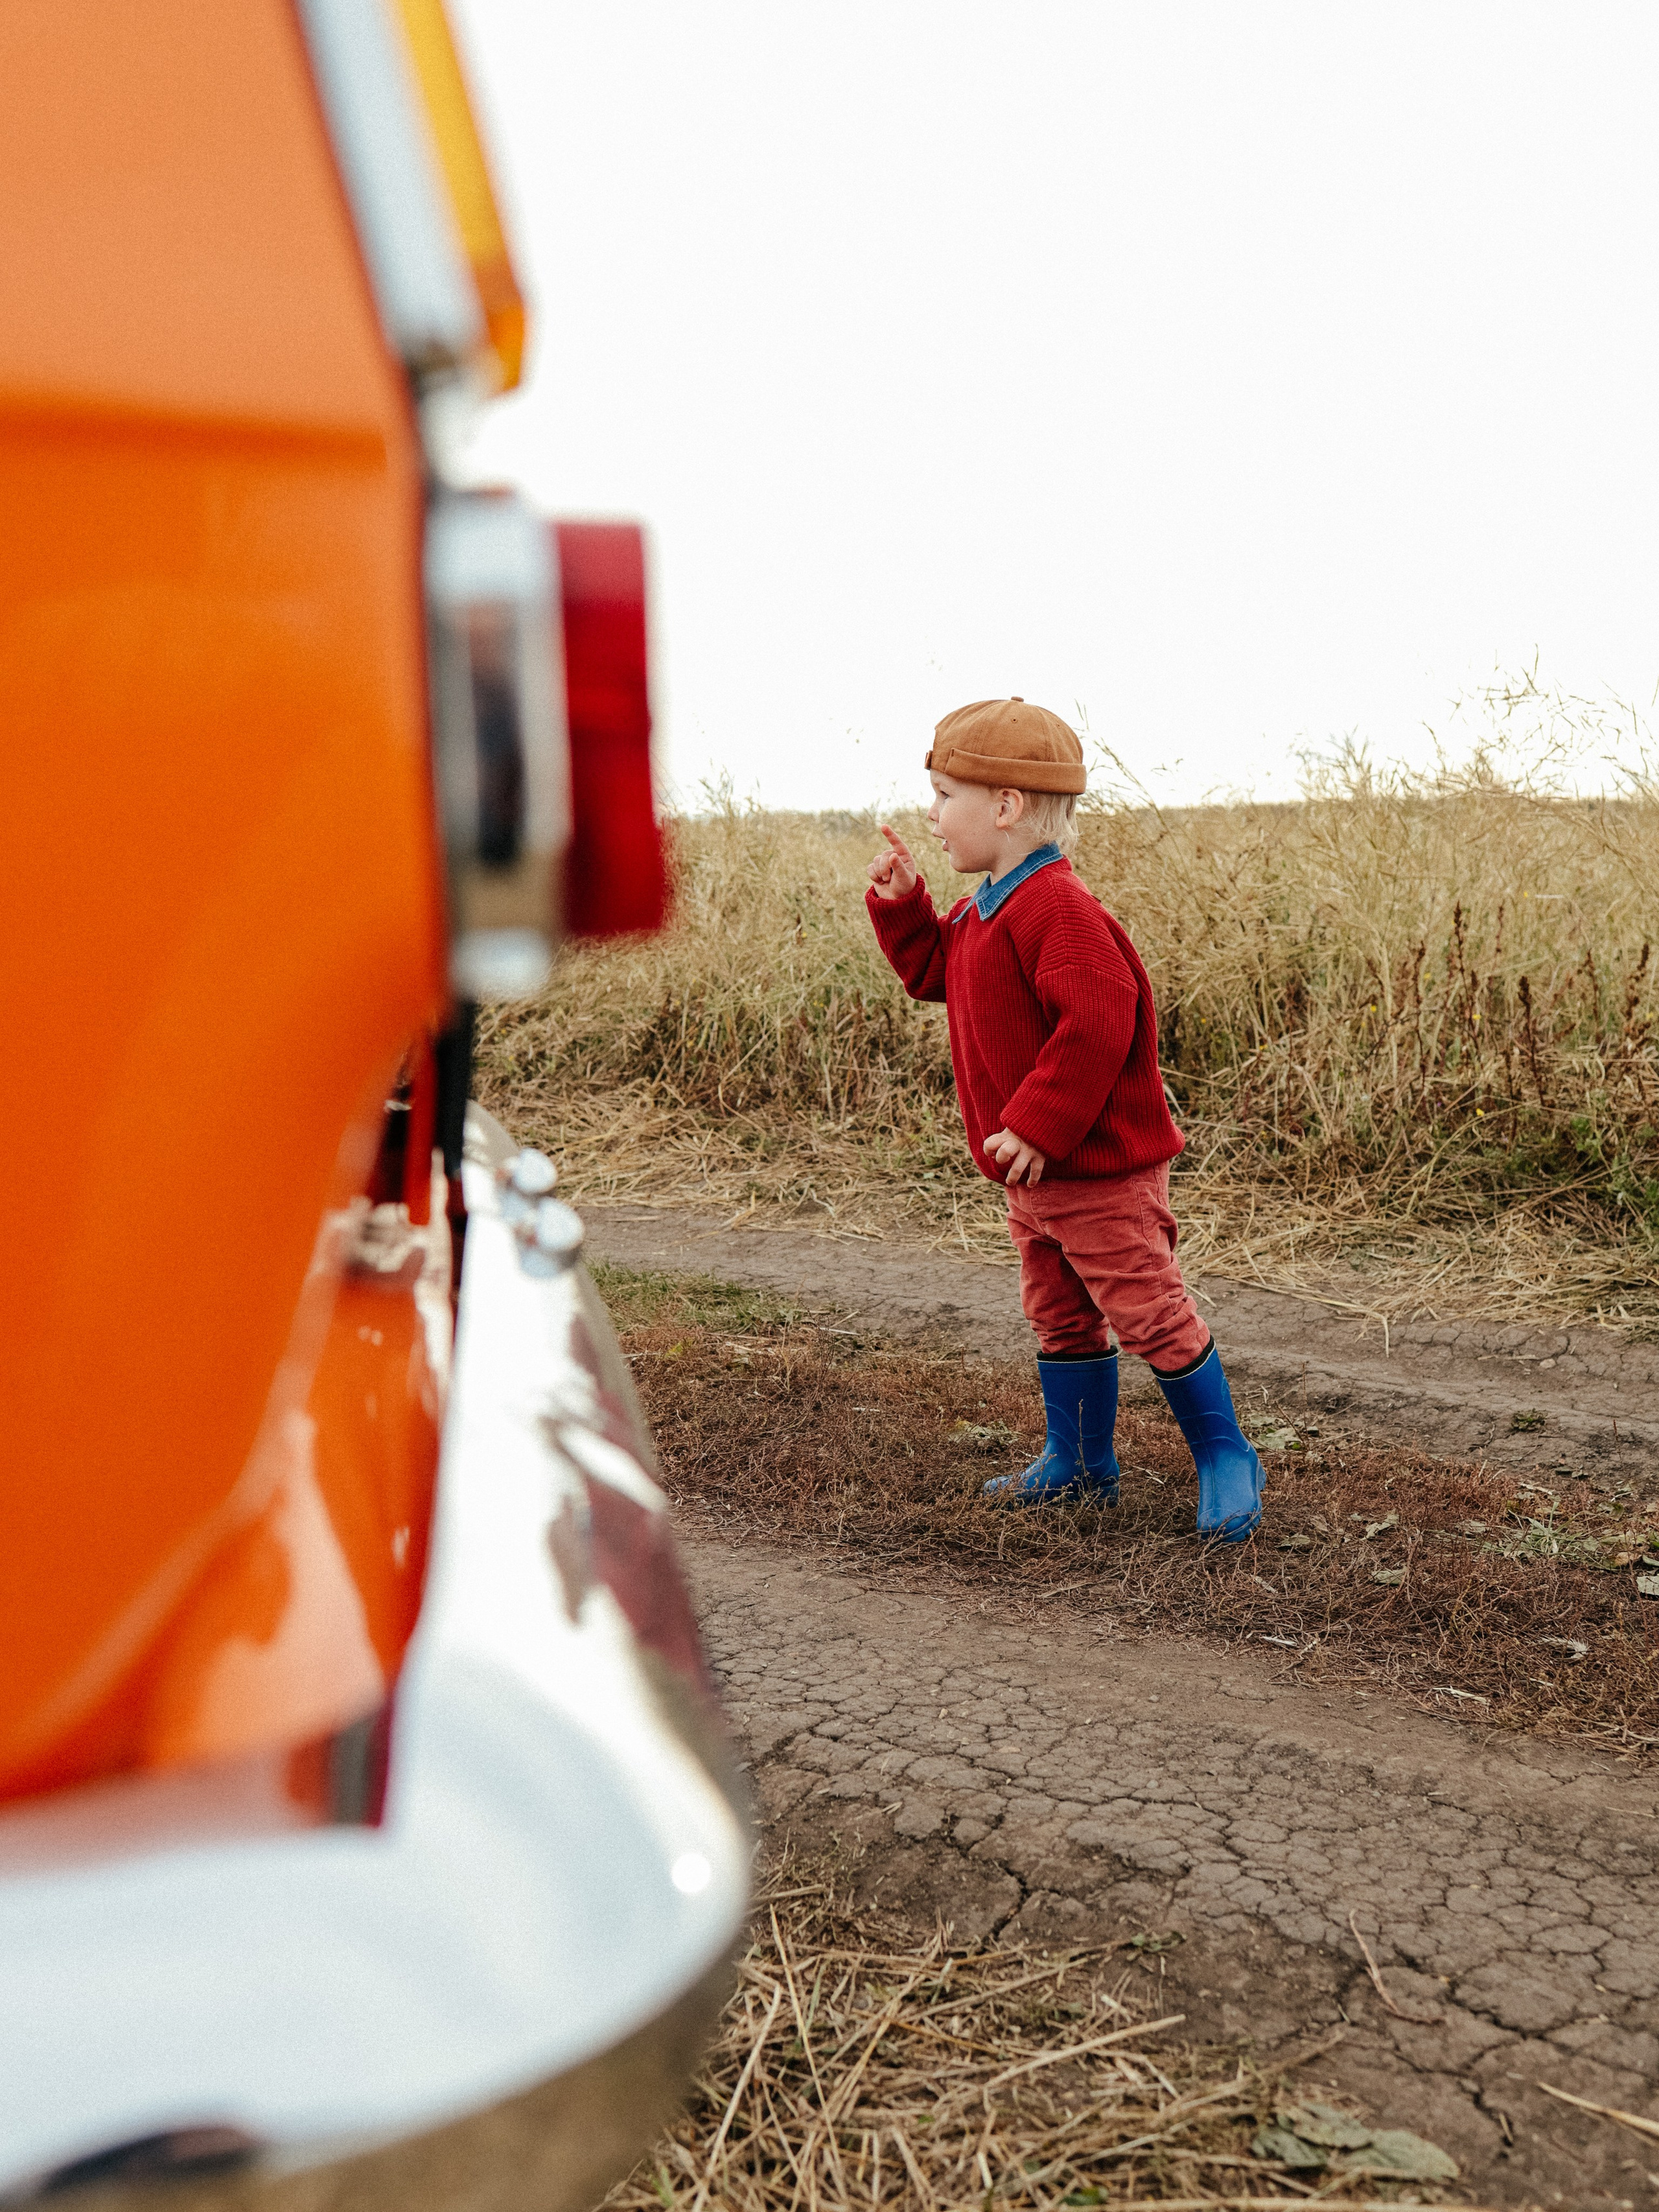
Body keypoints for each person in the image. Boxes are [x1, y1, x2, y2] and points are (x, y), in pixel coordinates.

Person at [865, 697, 1262, 1541]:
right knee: (1060, 1312)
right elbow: (942, 971)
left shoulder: (1056, 909)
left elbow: (1100, 1017)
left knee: (1149, 1310)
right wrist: (905, 910)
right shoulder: (985, 908)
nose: (932, 818)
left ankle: (1226, 1452)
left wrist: (1040, 1125)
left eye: (944, 797)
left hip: (1098, 1173)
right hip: (1035, 1180)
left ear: (1005, 806)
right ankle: (1080, 1461)